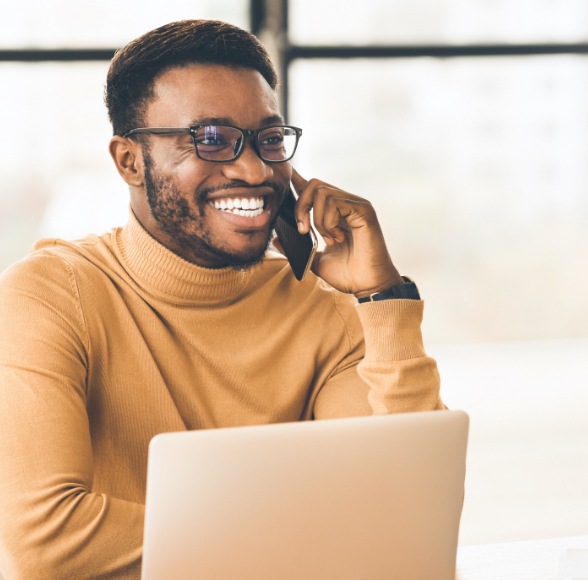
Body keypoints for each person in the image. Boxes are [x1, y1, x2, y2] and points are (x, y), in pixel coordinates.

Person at [0, 19, 443, 578]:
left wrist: (384, 299)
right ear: (129, 161)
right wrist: (309, 531)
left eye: (270, 138)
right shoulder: (52, 296)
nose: (255, 169)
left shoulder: (320, 307)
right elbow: (48, 540)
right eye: (210, 138)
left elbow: (412, 518)